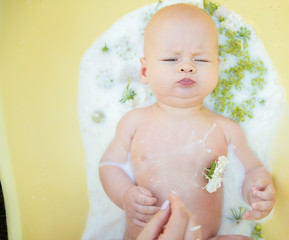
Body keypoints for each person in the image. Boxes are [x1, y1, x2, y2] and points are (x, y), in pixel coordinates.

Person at [99, 3, 275, 240]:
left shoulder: (226, 129)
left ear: (217, 69)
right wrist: (125, 196)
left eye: (201, 60)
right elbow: (110, 165)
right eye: (172, 59)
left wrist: (258, 189)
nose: (186, 67)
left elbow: (250, 169)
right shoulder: (134, 122)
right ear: (144, 72)